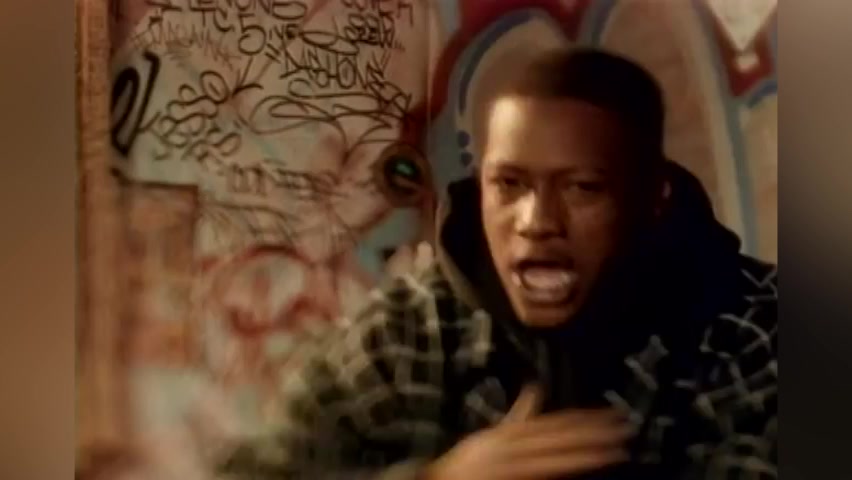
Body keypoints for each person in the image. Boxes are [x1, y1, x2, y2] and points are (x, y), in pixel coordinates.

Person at [219, 48, 778, 480]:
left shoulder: (755, 330)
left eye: (583, 188)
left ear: (654, 198)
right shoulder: (418, 328)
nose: (536, 221)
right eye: (508, 185)